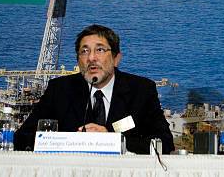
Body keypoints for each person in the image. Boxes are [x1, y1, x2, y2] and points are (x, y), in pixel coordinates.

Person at [14, 24, 174, 153]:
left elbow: (165, 142)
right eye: (84, 51)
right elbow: (22, 138)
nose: (91, 58)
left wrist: (112, 140)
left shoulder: (141, 90)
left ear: (116, 59)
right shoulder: (60, 89)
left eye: (100, 50)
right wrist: (69, 142)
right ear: (78, 61)